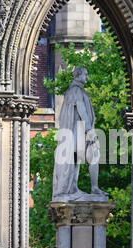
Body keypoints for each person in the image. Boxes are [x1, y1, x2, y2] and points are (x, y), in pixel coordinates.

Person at [53, 67, 108, 201]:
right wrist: (89, 130)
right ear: (78, 75)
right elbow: (82, 109)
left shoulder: (72, 91)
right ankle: (92, 188)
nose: (87, 78)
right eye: (85, 75)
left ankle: (73, 188)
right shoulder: (76, 90)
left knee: (76, 160)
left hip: (76, 132)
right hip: (78, 131)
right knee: (94, 155)